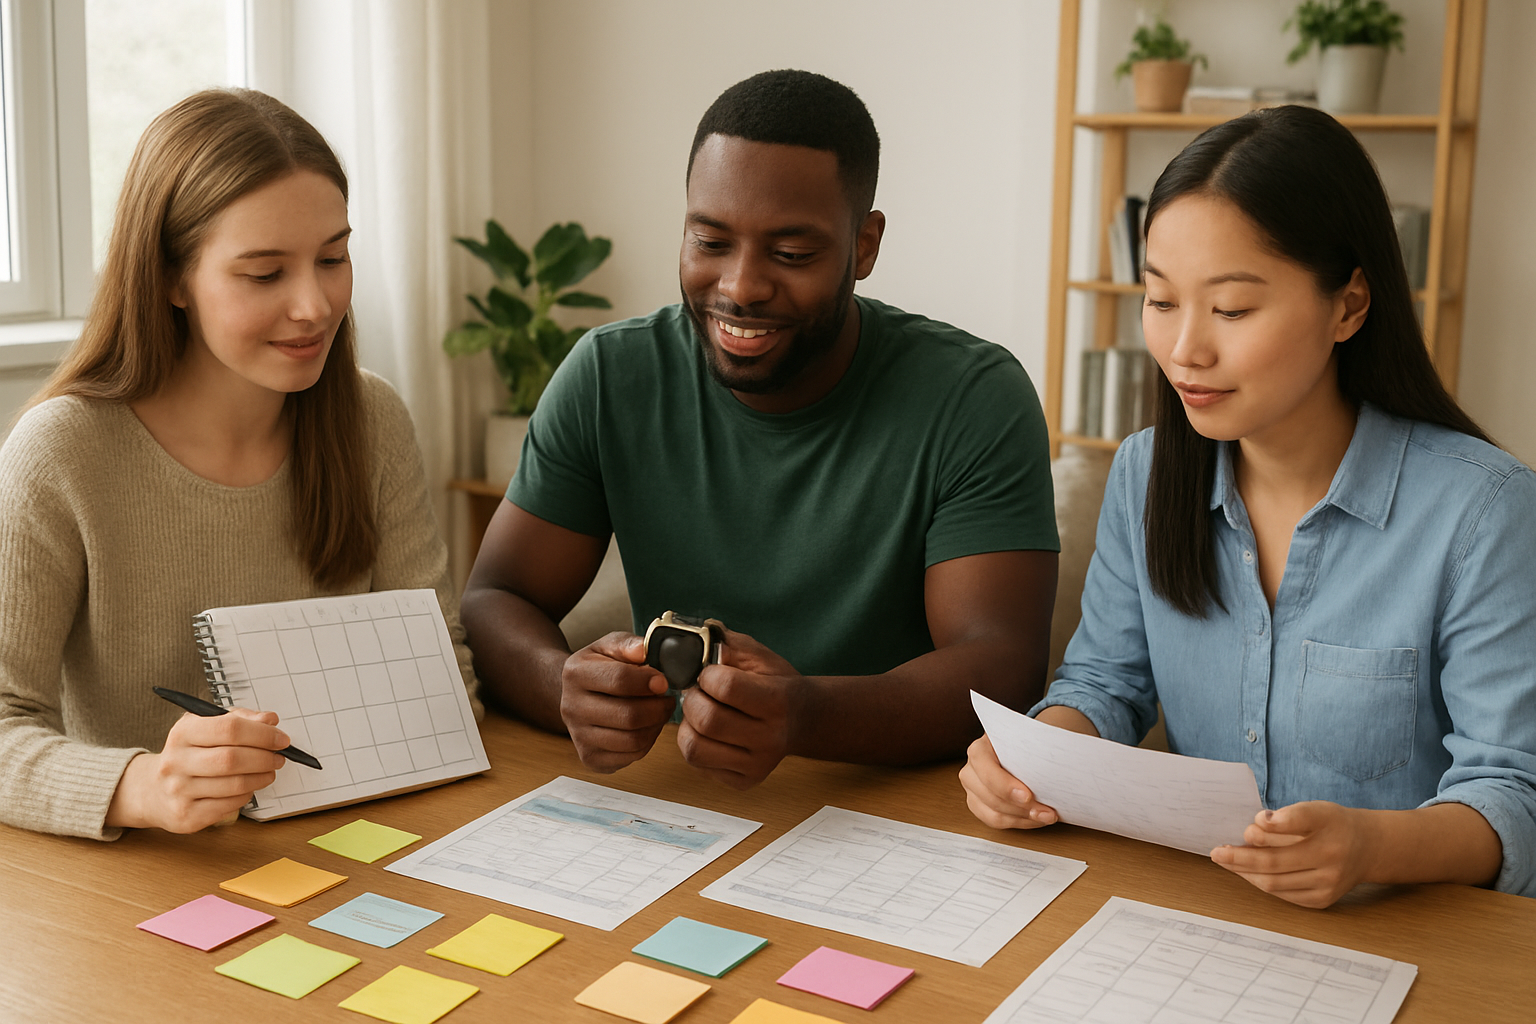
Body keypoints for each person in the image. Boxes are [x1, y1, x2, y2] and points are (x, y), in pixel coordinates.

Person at [961, 105, 1536, 908]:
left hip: (1410, 938)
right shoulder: (1145, 473)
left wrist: (1373, 846)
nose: (1186, 349)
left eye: (1231, 309)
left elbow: (1513, 791)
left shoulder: (1484, 511)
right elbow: (1106, 685)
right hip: (1202, 919)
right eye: (1161, 302)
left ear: (1349, 305)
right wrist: (1029, 762)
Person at [462, 70, 1059, 788]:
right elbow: (496, 599)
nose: (740, 286)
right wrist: (564, 686)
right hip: (681, 800)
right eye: (709, 240)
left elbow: (1000, 664)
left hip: (895, 806)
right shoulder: (607, 376)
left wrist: (805, 715)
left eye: (792, 254)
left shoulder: (973, 397)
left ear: (863, 246)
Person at [0, 89, 478, 839]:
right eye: (264, 274)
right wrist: (143, 785)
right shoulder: (61, 451)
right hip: (145, 880)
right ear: (170, 278)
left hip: (347, 849)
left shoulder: (371, 419)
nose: (315, 306)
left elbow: (443, 679)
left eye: (333, 258)